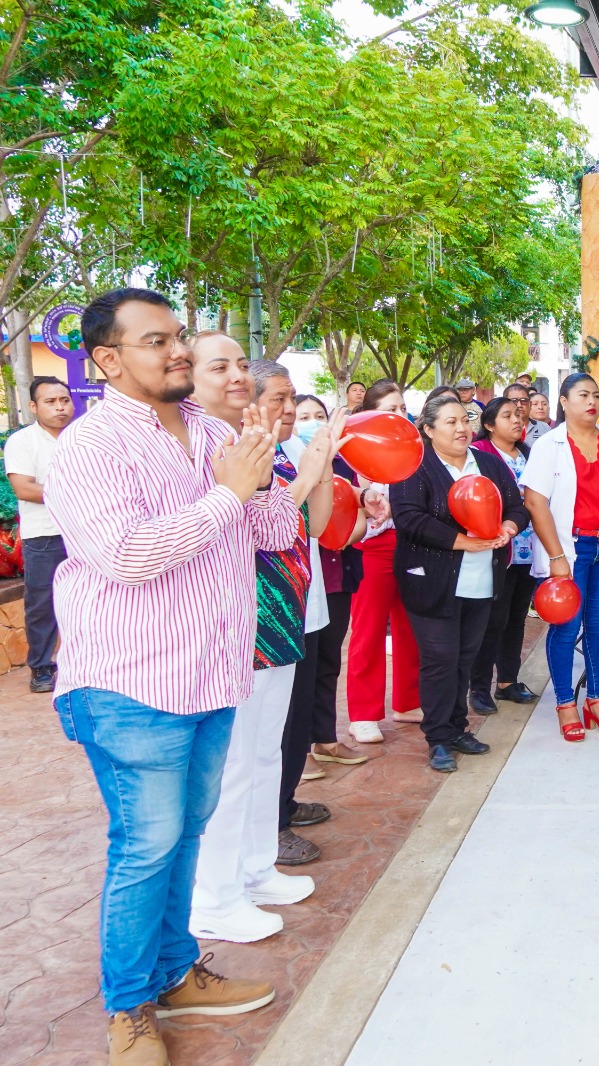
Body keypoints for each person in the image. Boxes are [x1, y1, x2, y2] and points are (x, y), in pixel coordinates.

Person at [49, 290, 290, 1060]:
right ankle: (128, 1010)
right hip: (130, 684)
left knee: (185, 835)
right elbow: (129, 556)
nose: (179, 351)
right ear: (109, 361)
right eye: (157, 341)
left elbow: (277, 531)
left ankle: (176, 970)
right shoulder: (88, 450)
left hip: (209, 674)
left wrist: (267, 467)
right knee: (145, 845)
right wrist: (230, 491)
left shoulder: (216, 432)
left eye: (179, 337)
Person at [189, 349, 335, 937]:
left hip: (279, 614)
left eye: (240, 366)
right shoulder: (198, 446)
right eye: (218, 368)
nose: (237, 378)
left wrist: (305, 466)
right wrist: (307, 469)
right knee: (231, 764)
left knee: (264, 753)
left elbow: (281, 528)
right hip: (233, 621)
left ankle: (254, 869)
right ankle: (215, 895)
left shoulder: (260, 447)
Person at [392, 395, 529, 773]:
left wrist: (508, 526)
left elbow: (517, 505)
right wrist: (463, 541)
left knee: (464, 659)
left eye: (464, 420)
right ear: (429, 429)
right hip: (431, 581)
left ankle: (457, 729)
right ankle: (437, 737)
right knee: (440, 660)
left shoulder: (487, 463)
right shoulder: (414, 466)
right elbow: (409, 519)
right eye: (450, 422)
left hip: (482, 580)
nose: (460, 428)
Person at [523, 372, 599, 741]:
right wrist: (556, 555)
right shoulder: (550, 445)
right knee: (566, 627)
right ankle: (564, 703)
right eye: (582, 394)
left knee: (597, 626)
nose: (591, 401)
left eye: (596, 394)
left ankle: (597, 700)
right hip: (572, 549)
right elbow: (534, 501)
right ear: (563, 402)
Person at [289, 396, 369, 778]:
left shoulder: (341, 464)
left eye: (317, 416)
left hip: (337, 575)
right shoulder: (289, 462)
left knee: (327, 660)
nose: (310, 422)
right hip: (301, 577)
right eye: (302, 416)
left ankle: (325, 737)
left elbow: (355, 513)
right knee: (298, 670)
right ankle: (297, 748)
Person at [346, 381, 424, 742]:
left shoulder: (414, 451)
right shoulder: (351, 453)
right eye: (391, 409)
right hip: (372, 549)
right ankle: (363, 713)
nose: (400, 416)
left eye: (402, 408)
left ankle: (408, 701)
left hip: (410, 545)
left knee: (411, 625)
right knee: (369, 630)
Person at [469, 397, 541, 710]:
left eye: (519, 415)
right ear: (488, 424)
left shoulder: (528, 453)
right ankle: (480, 688)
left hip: (527, 549)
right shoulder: (479, 454)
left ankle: (508, 681)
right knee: (492, 621)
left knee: (516, 618)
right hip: (497, 548)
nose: (517, 420)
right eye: (508, 415)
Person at [6, 375, 74, 692]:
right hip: (44, 537)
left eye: (64, 400)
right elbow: (24, 488)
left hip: (88, 533)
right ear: (34, 406)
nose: (60, 407)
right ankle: (43, 667)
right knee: (42, 605)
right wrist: (80, 492)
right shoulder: (23, 441)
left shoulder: (84, 437)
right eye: (51, 401)